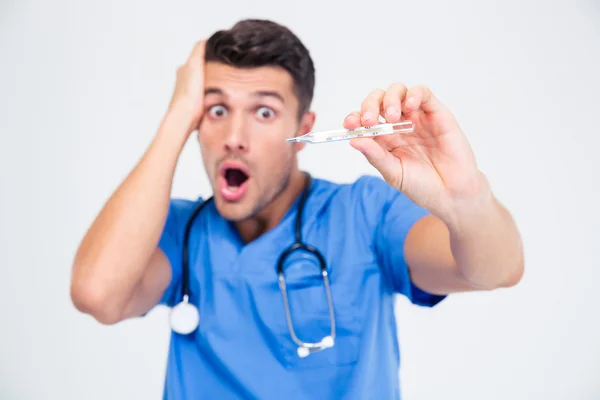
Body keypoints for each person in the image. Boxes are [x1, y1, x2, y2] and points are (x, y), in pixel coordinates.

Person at [70, 19, 524, 400]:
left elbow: (494, 271)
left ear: (303, 127)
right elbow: (97, 295)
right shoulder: (177, 231)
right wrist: (176, 118)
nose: (234, 136)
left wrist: (466, 202)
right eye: (216, 111)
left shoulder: (364, 214)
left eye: (264, 112)